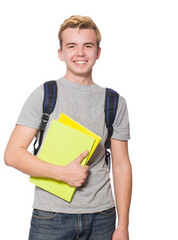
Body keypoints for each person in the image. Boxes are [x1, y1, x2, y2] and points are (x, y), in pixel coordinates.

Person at [4, 15, 132, 240]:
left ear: (98, 52)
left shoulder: (114, 102)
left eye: (88, 46)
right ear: (61, 53)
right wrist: (63, 174)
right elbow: (12, 154)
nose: (80, 53)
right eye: (71, 46)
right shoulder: (44, 95)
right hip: (51, 216)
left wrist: (123, 226)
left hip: (102, 216)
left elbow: (121, 165)